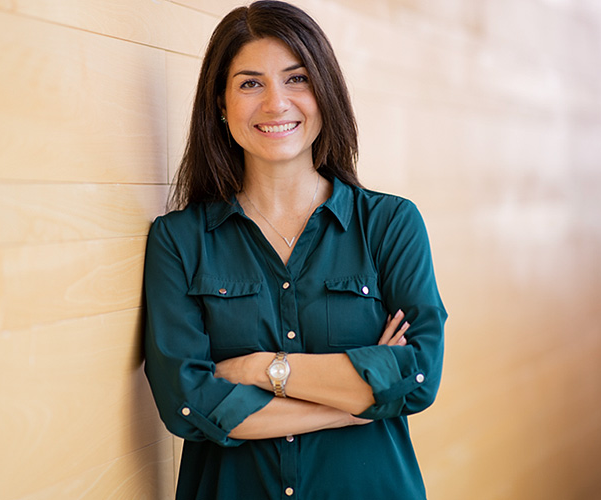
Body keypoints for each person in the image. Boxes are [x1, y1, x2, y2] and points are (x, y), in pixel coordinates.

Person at [143, 1, 447, 498]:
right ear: (220, 104)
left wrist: (261, 369)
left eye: (296, 79)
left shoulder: (390, 225)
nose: (276, 103)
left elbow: (417, 376)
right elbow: (190, 403)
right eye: (249, 83)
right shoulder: (178, 241)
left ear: (325, 93)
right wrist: (352, 404)